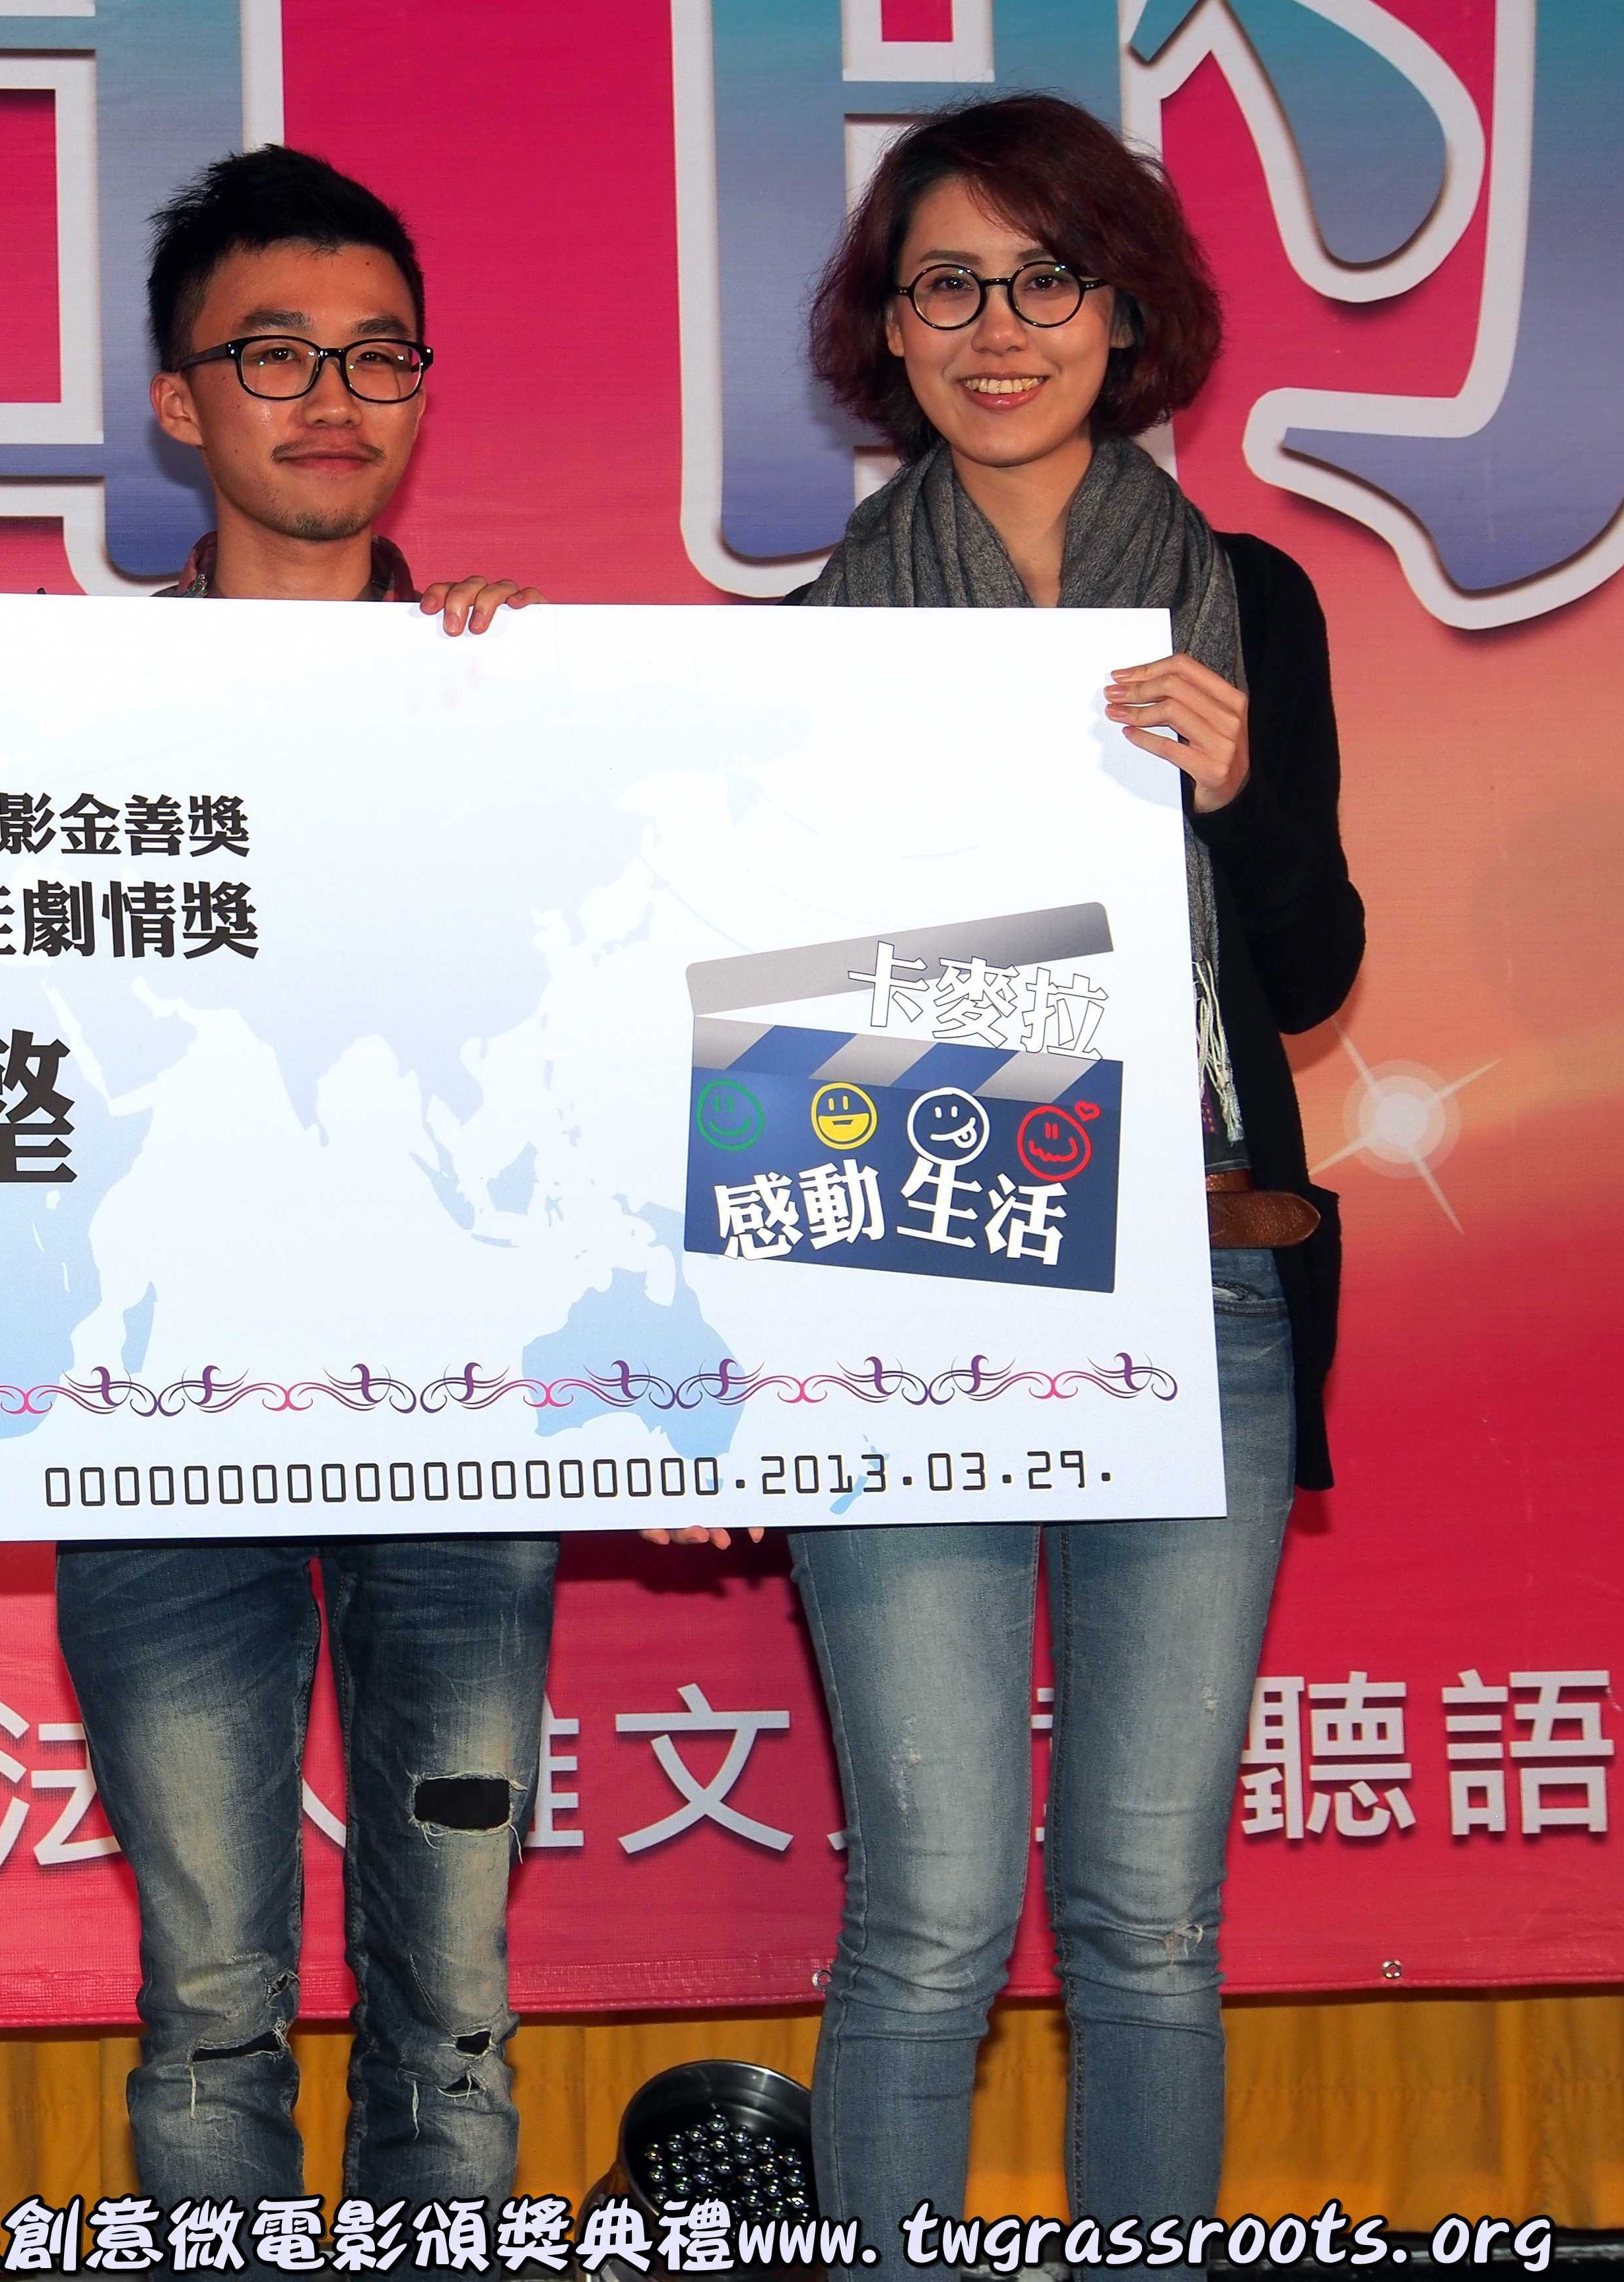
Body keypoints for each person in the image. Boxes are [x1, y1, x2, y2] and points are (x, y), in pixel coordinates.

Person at [782, 94, 1364, 2277]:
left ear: (1127, 316)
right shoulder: (811, 644)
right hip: (904, 1292)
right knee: (929, 1915)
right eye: (947, 284)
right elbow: (743, 1007)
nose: (999, 326)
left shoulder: (1253, 604)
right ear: (888, 330)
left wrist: (1235, 793)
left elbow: (1315, 967)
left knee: (1144, 1916)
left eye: (1048, 278)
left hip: (1198, 1287)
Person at [53, 144, 553, 2210]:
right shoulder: (62, 716)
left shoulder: (524, 693)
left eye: (378, 354)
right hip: (159, 1427)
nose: (332, 396)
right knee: (208, 1999)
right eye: (275, 355)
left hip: (470, 1430)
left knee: (456, 1999)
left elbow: (614, 1044)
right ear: (180, 400)